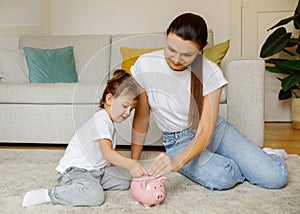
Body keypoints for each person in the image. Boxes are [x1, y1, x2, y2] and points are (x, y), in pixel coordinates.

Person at [130, 13, 288, 190]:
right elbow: (142, 117)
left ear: (202, 48)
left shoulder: (211, 72)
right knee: (223, 176)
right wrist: (133, 162)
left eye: (186, 54)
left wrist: (177, 163)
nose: (175, 59)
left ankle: (265, 158)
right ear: (166, 35)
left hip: (214, 132)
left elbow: (205, 131)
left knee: (274, 178)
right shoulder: (145, 65)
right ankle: (249, 163)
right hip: (177, 141)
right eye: (171, 49)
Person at [22, 69, 147, 207]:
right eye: (125, 106)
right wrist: (131, 163)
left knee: (126, 178)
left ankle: (89, 184)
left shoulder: (108, 121)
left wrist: (130, 169)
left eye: (132, 109)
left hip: (96, 170)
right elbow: (108, 153)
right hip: (76, 170)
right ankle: (48, 194)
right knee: (95, 196)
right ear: (109, 99)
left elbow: (106, 159)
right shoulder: (101, 120)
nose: (127, 113)